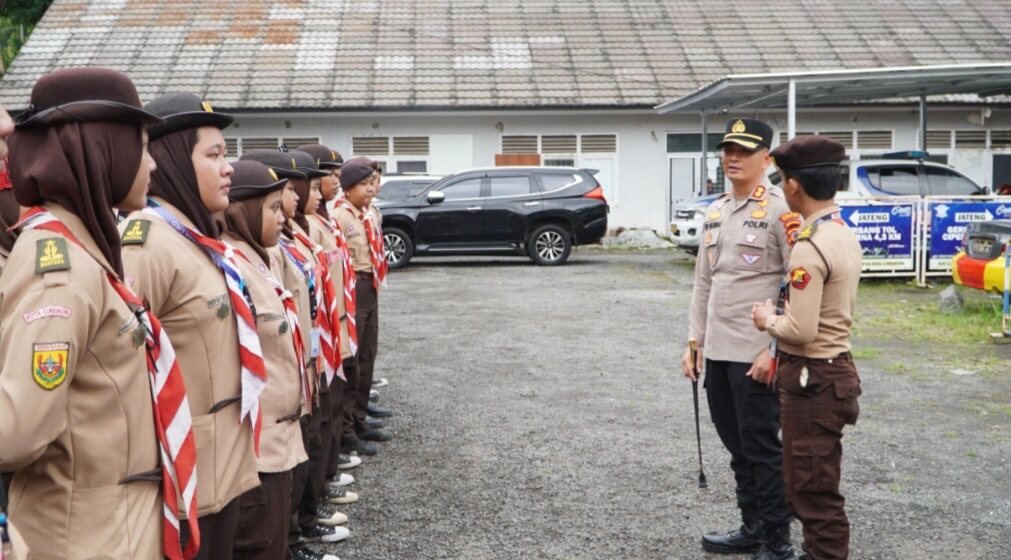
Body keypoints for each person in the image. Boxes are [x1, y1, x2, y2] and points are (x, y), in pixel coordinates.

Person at [1, 67, 198, 559]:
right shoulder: (61, 269)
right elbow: (16, 432)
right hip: (87, 542)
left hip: (117, 533)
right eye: (143, 146)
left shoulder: (86, 248)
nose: (152, 165)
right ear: (103, 148)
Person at [119, 93, 260, 560]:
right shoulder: (148, 242)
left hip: (223, 465)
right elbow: (129, 368)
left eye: (227, 154)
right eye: (214, 155)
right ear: (177, 161)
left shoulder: (196, 238)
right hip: (186, 480)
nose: (229, 168)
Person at [681, 118, 800, 559]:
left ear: (766, 159)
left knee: (763, 448)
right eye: (728, 149)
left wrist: (774, 349)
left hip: (757, 354)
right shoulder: (716, 212)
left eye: (744, 151)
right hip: (718, 352)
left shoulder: (779, 211)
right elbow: (704, 285)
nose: (732, 157)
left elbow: (795, 284)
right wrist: (694, 344)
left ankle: (777, 540)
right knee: (736, 446)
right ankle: (751, 526)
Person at [751, 135, 863, 560]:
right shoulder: (838, 232)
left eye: (782, 182)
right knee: (813, 485)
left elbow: (799, 329)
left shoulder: (810, 245)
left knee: (812, 494)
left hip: (812, 378)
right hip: (831, 373)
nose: (782, 190)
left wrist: (766, 319)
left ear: (794, 185)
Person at [239, 150, 351, 558]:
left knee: (305, 454)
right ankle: (295, 533)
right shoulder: (245, 254)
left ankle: (299, 527)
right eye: (284, 194)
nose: (323, 189)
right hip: (270, 406)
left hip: (309, 358)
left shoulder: (285, 239)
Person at [222, 161, 310, 560]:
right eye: (272, 208)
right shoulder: (230, 265)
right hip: (257, 451)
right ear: (243, 210)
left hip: (279, 441)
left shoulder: (259, 257)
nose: (282, 216)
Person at [295, 144, 372, 479]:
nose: (335, 182)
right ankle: (328, 465)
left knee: (343, 382)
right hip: (322, 323)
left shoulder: (322, 218)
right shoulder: (310, 224)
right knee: (324, 404)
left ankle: (334, 454)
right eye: (327, 177)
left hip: (340, 310)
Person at [333, 157, 391, 457]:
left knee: (367, 354)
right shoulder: (341, 217)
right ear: (349, 187)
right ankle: (345, 429)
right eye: (365, 184)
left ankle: (358, 419)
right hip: (353, 287)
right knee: (351, 359)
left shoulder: (368, 215)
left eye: (372, 183)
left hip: (371, 285)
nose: (371, 189)